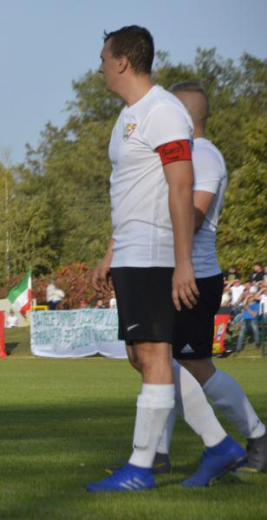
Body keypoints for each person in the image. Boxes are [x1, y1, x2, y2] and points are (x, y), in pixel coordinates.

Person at [88, 26, 244, 492]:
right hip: (132, 252)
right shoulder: (129, 116)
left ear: (123, 61)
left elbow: (181, 186)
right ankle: (219, 445)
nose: (99, 67)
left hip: (155, 253)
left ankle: (141, 467)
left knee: (155, 355)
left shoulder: (163, 111)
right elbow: (131, 191)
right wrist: (111, 251)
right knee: (141, 355)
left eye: (103, 58)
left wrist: (182, 263)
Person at [154, 82, 266, 475]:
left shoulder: (203, 157)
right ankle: (157, 454)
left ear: (184, 116)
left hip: (195, 277)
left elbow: (195, 218)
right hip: (177, 275)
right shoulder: (186, 155)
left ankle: (257, 437)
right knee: (161, 364)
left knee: (194, 366)